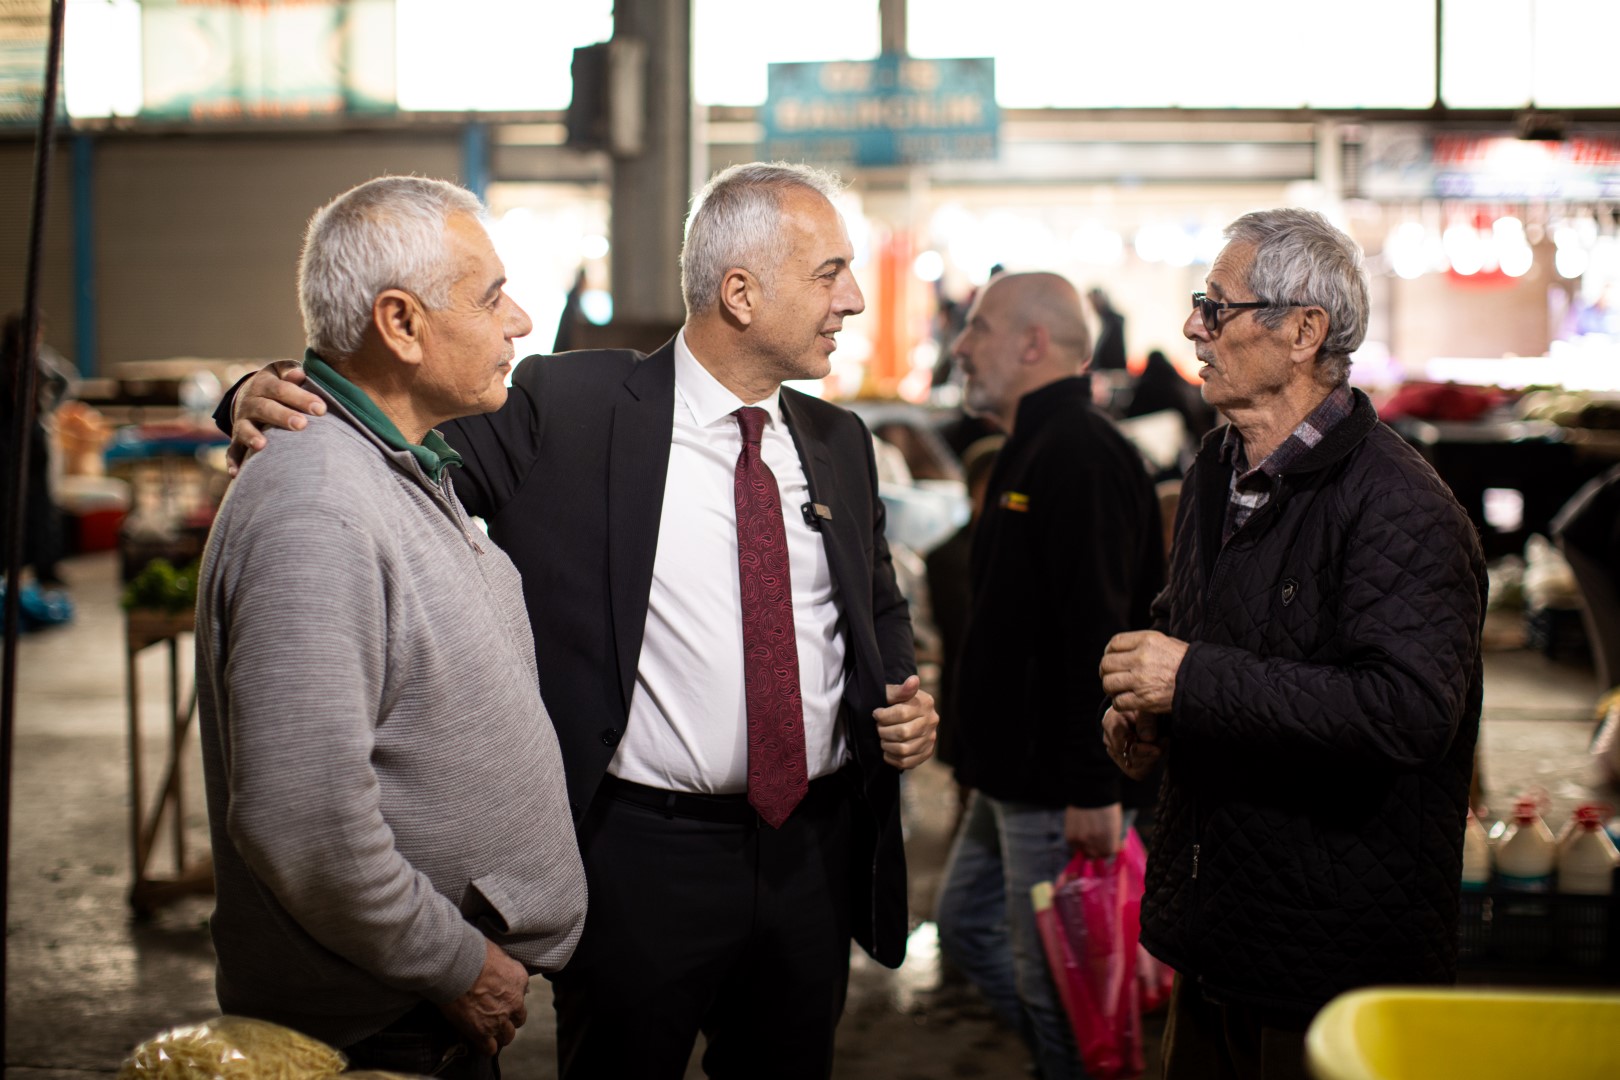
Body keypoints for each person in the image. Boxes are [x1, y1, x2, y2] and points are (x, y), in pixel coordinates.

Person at [218, 162, 939, 1080]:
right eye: (830, 272)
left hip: (812, 847)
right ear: (742, 292)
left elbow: (874, 601)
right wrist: (258, 392)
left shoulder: (840, 443)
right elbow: (383, 421)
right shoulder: (567, 406)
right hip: (640, 856)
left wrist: (900, 693)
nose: (852, 300)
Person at [194, 177, 587, 1078]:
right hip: (385, 1026)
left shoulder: (397, 461)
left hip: (419, 1014)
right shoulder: (320, 507)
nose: (520, 320)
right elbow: (304, 823)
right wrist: (453, 962)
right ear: (401, 324)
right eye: (490, 298)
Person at [1099, 209, 1487, 1080]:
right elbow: (1205, 639)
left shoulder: (1402, 507)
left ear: (1304, 331)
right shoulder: (1216, 468)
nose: (1194, 327)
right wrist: (1153, 718)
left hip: (1331, 968)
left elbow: (1407, 713)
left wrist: (1191, 680)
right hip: (1220, 931)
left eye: (1218, 306)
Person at [935, 271, 1163, 1080]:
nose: (961, 346)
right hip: (1012, 779)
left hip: (1058, 789)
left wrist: (1094, 786)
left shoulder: (1080, 455)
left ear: (1034, 343)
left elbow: (1098, 634)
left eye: (980, 329)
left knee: (1064, 996)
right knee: (966, 932)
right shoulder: (1032, 444)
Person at [1, 312, 72, 589]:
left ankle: (46, 565)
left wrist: (48, 410)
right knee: (9, 501)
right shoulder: (5, 362)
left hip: (34, 435)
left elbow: (67, 379)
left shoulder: (41, 360)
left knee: (42, 501)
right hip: (6, 440)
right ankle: (9, 563)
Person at [1087, 286, 1127, 371]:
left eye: (1094, 301)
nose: (1093, 306)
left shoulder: (1113, 322)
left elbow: (1115, 352)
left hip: (1111, 373)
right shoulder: (1104, 322)